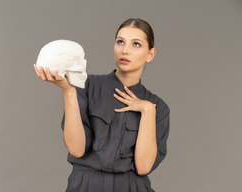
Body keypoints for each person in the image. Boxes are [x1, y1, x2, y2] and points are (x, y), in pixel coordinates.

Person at [34, 18, 170, 192]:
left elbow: (143, 167)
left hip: (131, 186)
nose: (125, 50)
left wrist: (147, 110)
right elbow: (76, 149)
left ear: (150, 54)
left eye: (136, 44)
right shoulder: (86, 85)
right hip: (86, 185)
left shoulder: (158, 107)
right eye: (120, 42)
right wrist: (69, 92)